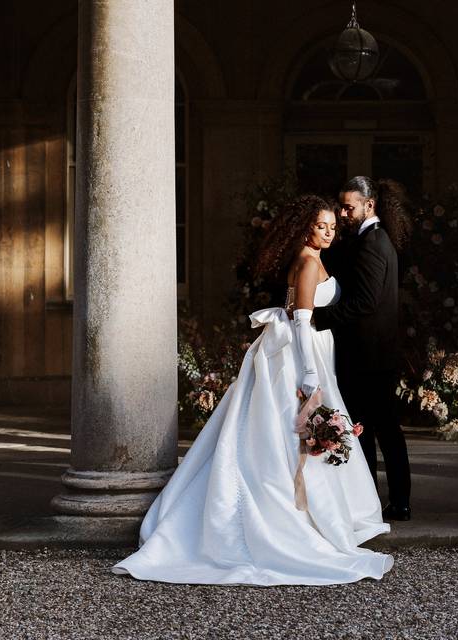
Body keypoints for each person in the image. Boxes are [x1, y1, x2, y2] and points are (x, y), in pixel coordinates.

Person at [112, 195, 393, 586]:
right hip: (301, 353)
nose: (329, 233)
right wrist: (309, 372)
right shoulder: (309, 262)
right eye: (321, 227)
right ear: (305, 228)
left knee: (276, 432)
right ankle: (289, 518)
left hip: (301, 349)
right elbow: (300, 319)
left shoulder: (307, 256)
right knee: (286, 434)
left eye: (332, 226)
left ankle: (302, 511)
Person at [314, 177, 413, 521]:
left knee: (377, 430)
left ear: (369, 205)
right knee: (368, 430)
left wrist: (318, 318)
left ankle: (394, 503)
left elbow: (365, 302)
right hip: (371, 354)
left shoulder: (373, 242)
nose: (342, 213)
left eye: (348, 207)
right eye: (340, 206)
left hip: (369, 356)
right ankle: (380, 501)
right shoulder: (370, 240)